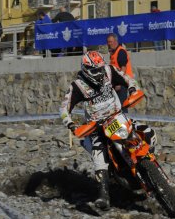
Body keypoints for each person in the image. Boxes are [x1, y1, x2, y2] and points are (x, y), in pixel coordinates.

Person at [59, 51, 155, 210]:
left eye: (100, 68)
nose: (99, 73)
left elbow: (128, 79)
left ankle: (152, 163)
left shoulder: (109, 70)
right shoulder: (78, 85)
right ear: (86, 70)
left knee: (147, 131)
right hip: (96, 125)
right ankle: (103, 196)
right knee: (98, 154)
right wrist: (71, 125)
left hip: (117, 115)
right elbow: (64, 108)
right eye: (95, 70)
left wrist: (132, 90)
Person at [107, 33, 133, 104]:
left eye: (110, 42)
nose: (109, 44)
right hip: (117, 84)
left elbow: (123, 68)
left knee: (121, 105)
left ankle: (124, 114)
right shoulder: (113, 53)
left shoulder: (121, 52)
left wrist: (119, 83)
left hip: (122, 84)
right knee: (117, 106)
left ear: (116, 41)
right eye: (108, 42)